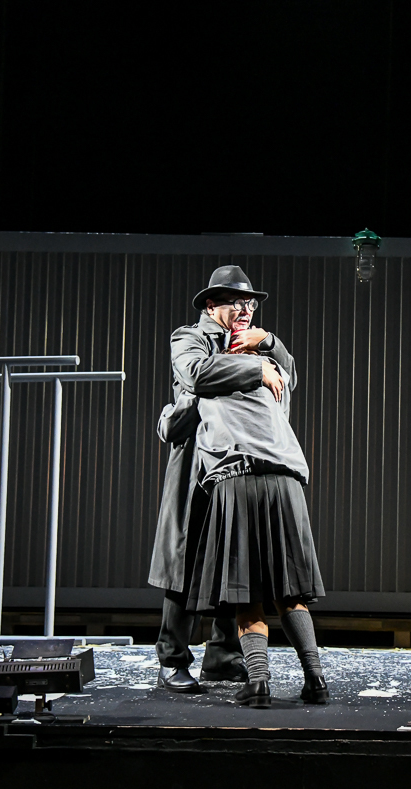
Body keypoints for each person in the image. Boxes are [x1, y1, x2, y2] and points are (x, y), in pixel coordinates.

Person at [153, 264, 326, 709]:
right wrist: (255, 367)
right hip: (200, 462)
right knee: (185, 561)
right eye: (236, 302)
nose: (246, 310)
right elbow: (197, 375)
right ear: (212, 305)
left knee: (236, 563)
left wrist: (267, 344)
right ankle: (173, 658)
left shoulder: (256, 341)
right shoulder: (189, 337)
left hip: (242, 462)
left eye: (250, 303)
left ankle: (224, 656)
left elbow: (285, 380)